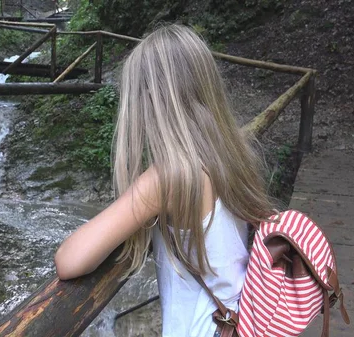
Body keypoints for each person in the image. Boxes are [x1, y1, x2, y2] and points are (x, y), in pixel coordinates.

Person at [54, 24, 276, 337]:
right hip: (244, 317)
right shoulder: (232, 153)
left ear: (149, 100)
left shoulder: (168, 178)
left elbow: (69, 260)